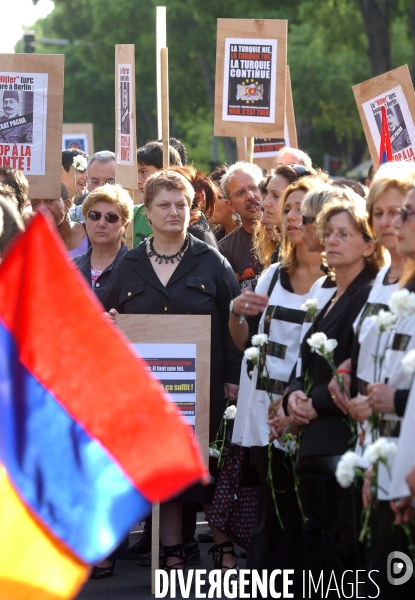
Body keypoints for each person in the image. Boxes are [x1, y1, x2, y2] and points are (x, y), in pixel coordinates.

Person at [103, 170, 241, 573]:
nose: (173, 212)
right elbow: (109, 319)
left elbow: (234, 322)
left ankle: (224, 549)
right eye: (164, 205)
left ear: (192, 209)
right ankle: (173, 551)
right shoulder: (128, 265)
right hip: (149, 392)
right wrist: (113, 322)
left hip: (205, 386)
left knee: (208, 467)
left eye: (181, 204)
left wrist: (232, 377)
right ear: (147, 212)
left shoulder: (211, 260)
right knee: (165, 466)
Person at [223, 176, 330, 598]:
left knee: (314, 524)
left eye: (301, 209)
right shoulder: (269, 276)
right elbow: (244, 342)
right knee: (276, 519)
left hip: (311, 418)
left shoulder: (340, 281)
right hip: (265, 417)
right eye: (287, 208)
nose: (291, 217)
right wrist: (236, 313)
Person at [285, 192, 381, 591]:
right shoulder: (331, 294)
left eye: (345, 233)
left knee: (343, 550)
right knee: (319, 543)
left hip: (341, 436)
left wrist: (312, 405)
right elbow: (306, 361)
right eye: (330, 233)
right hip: (315, 437)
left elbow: (359, 368)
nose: (334, 241)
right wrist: (292, 395)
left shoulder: (368, 295)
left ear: (370, 245)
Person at [74, 184, 133, 302]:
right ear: (86, 219)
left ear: (125, 226)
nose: (101, 223)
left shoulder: (139, 269)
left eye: (111, 217)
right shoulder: (69, 268)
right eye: (94, 216)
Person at [218, 161, 264, 289]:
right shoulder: (224, 250)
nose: (250, 196)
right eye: (240, 193)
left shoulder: (287, 237)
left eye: (254, 187)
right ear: (230, 205)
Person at [131, 141, 183, 246]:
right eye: (135, 173)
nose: (138, 180)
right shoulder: (134, 213)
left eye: (143, 172)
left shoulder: (188, 215)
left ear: (164, 170)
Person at [30, 184, 89, 258]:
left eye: (49, 200)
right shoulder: (34, 246)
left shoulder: (91, 235)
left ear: (67, 205)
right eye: (35, 204)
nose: (41, 209)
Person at [208, 164, 240, 241]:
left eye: (214, 197)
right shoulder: (212, 241)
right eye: (207, 197)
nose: (207, 203)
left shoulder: (258, 236)